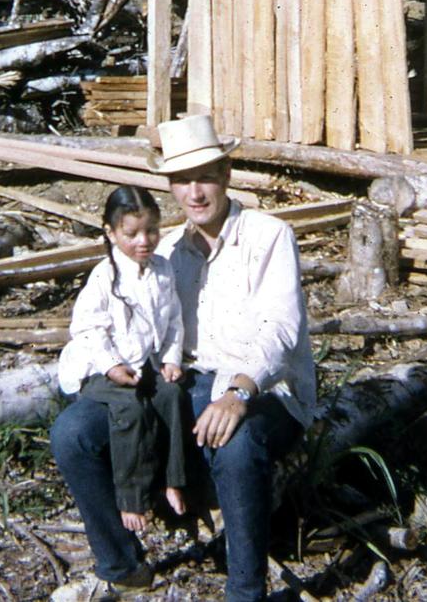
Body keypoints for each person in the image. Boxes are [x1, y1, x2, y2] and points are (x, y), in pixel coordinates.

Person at [51, 116, 316, 601]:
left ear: (227, 173)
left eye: (206, 176)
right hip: (185, 386)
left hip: (262, 389)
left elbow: (281, 330)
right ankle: (123, 566)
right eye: (182, 180)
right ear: (171, 187)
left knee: (237, 444)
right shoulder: (165, 249)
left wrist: (238, 392)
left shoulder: (269, 236)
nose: (195, 192)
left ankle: (245, 591)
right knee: (73, 433)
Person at [56, 185, 187, 540]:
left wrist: (172, 357)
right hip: (98, 368)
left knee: (172, 396)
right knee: (131, 409)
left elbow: (174, 319)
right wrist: (111, 364)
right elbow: (87, 327)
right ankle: (131, 498)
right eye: (131, 234)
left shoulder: (162, 270)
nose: (143, 241)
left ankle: (174, 480)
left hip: (143, 363)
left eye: (151, 231)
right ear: (111, 233)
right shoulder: (105, 276)